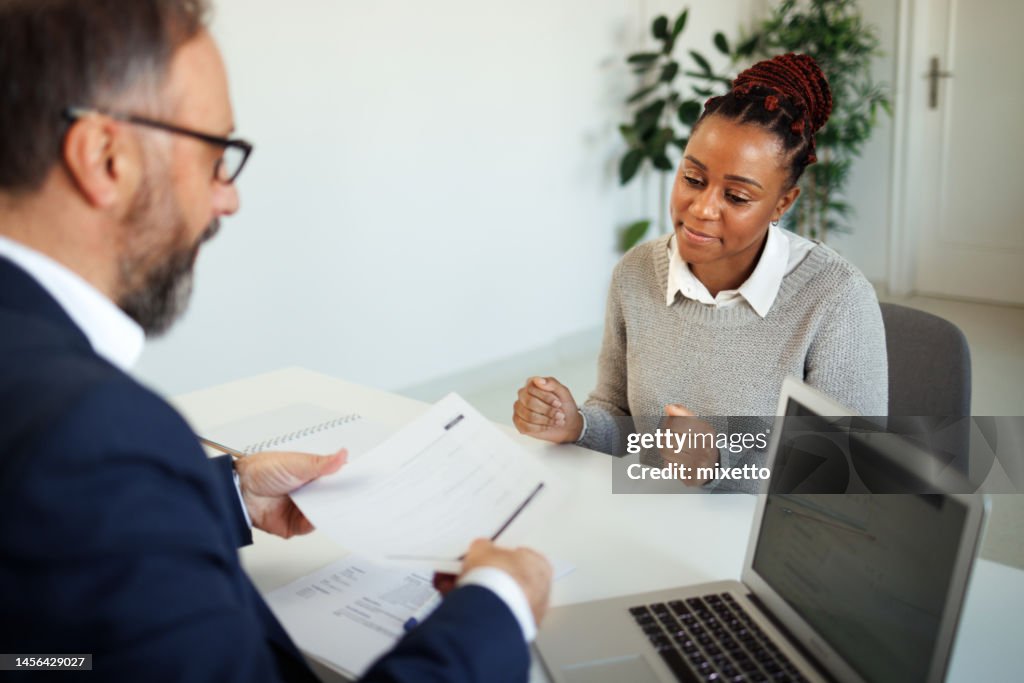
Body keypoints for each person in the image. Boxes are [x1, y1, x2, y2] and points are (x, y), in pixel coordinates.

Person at [0, 1, 550, 681]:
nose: (227, 200)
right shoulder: (99, 436)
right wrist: (497, 609)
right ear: (105, 157)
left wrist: (223, 496)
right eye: (215, 157)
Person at [512, 54, 888, 482]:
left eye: (737, 197)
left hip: (758, 540)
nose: (702, 209)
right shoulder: (635, 275)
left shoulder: (837, 299)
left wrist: (715, 464)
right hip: (654, 519)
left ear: (782, 204)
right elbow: (623, 422)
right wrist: (576, 424)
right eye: (693, 179)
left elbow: (848, 471)